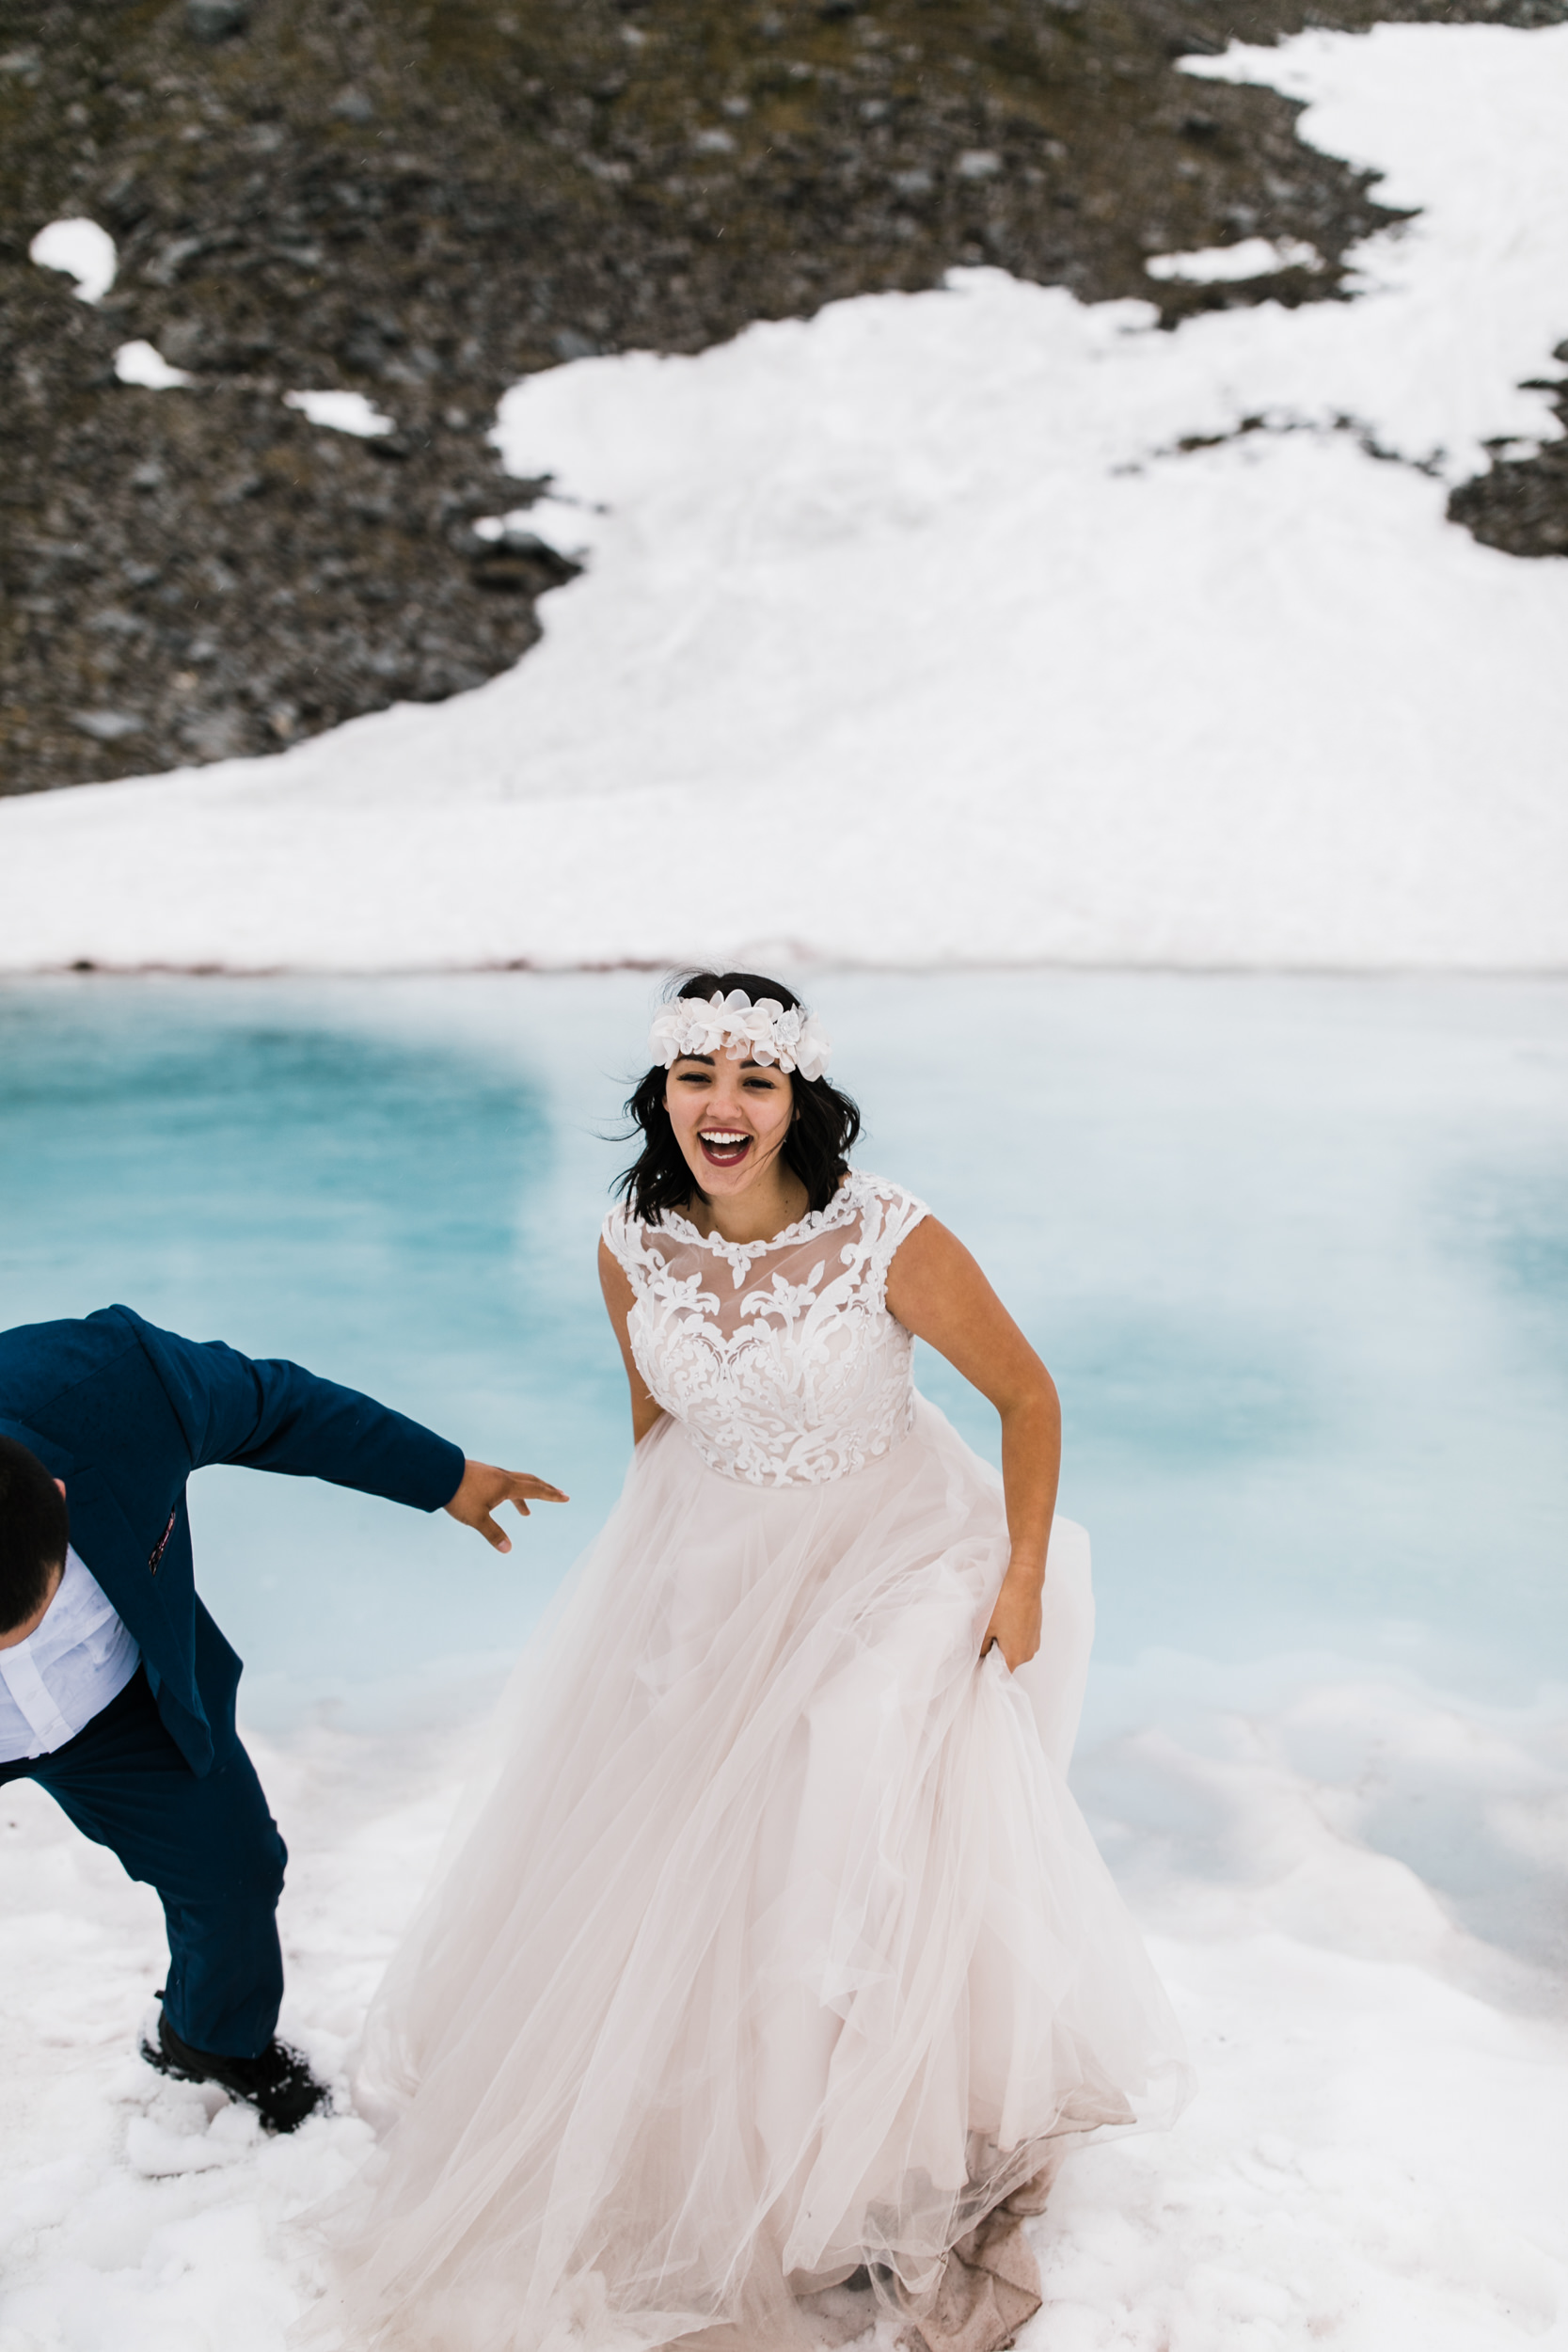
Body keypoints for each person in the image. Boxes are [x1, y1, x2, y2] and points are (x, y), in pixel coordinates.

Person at [321, 974, 1190, 2352]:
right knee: (682, 1841)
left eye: (755, 1078)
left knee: (845, 1795)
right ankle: (733, 2133)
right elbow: (654, 1415)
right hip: (715, 1547)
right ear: (660, 1093)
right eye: (695, 1075)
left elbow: (1027, 1395)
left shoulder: (880, 1235)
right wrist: (660, 1592)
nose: (721, 1105)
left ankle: (868, 2150)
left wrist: (1018, 1577)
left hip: (902, 1544)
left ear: (800, 1100)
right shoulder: (626, 1238)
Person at [0, 1305, 565, 2133]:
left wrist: (444, 1476)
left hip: (117, 1702)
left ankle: (209, 2039)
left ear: (56, 1496)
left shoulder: (115, 1386)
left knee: (235, 1870)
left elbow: (277, 1407)